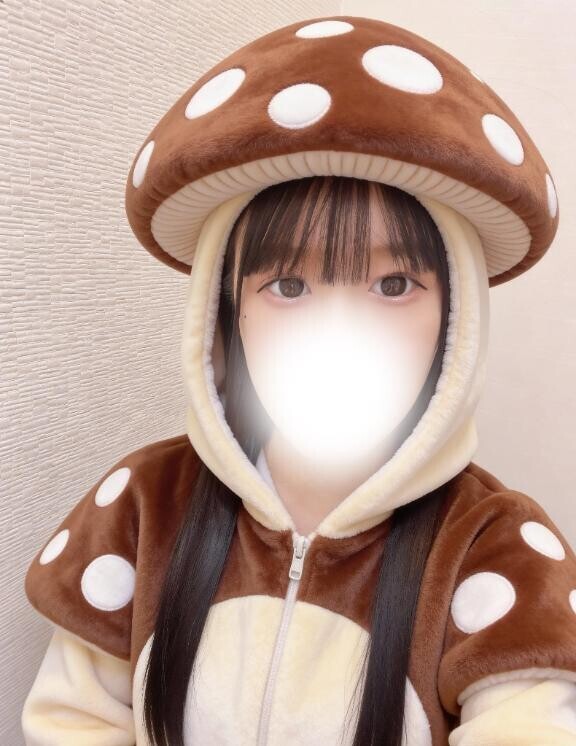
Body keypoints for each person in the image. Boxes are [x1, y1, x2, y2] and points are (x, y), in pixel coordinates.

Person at [21, 15, 576, 746]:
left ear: (455, 317)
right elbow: (73, 723)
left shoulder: (495, 546)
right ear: (227, 312)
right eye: (287, 285)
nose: (339, 336)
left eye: (394, 284)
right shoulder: (143, 507)